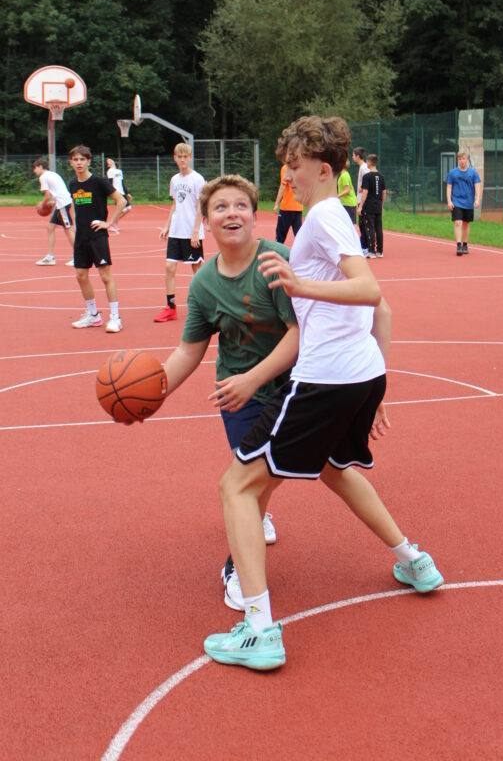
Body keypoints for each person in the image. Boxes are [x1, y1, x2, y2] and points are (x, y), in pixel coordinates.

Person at [203, 115, 443, 672]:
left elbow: (370, 290)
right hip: (360, 373)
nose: (288, 175)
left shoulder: (325, 215)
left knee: (236, 486)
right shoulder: (335, 217)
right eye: (286, 165)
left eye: (295, 165)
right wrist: (376, 389)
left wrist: (298, 282)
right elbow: (384, 313)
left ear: (324, 169)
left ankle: (258, 629)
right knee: (336, 469)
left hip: (326, 377)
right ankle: (413, 559)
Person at [162, 175, 299, 603]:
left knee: (278, 471)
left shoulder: (277, 260)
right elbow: (189, 350)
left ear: (255, 216)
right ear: (205, 222)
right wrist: (154, 392)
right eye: (220, 207)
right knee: (250, 476)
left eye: (241, 205)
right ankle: (240, 566)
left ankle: (256, 515)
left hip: (292, 385)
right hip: (239, 393)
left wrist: (255, 377)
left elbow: (299, 334)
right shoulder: (203, 283)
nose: (231, 213)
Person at [68, 145, 127, 332]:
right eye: (75, 160)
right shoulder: (73, 184)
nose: (79, 163)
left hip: (97, 235)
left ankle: (115, 318)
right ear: (71, 163)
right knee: (80, 275)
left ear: (88, 161)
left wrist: (109, 223)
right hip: (81, 237)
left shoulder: (99, 182)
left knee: (105, 276)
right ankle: (93, 315)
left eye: (82, 159)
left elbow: (121, 201)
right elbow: (76, 207)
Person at [155, 143, 205, 322]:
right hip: (176, 231)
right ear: (175, 158)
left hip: (191, 231)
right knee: (169, 267)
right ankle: (170, 307)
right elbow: (175, 204)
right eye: (179, 157)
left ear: (190, 157)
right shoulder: (175, 179)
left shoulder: (198, 179)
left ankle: (205, 304)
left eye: (185, 156)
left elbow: (201, 207)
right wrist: (167, 226)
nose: (182, 160)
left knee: (197, 270)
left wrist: (195, 231)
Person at [32, 157, 75, 266]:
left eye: (35, 168)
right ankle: (50, 257)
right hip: (61, 203)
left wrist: (42, 204)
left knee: (68, 230)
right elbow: (58, 190)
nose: (34, 171)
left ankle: (79, 256)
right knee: (50, 228)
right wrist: (53, 202)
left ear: (40, 167)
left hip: (62, 204)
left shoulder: (43, 177)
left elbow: (47, 195)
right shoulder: (53, 174)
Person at [446, 150, 481, 256]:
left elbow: (477, 186)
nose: (462, 161)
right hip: (456, 202)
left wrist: (477, 199)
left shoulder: (473, 173)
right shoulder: (452, 173)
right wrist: (449, 201)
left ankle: (465, 244)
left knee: (466, 224)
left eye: (463, 159)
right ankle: (458, 246)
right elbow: (449, 187)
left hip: (468, 202)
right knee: (458, 222)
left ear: (467, 160)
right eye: (460, 159)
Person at [358, 153, 386, 258]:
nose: (366, 163)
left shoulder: (367, 177)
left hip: (369, 206)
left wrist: (360, 206)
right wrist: (381, 204)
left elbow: (365, 192)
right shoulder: (381, 176)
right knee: (379, 228)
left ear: (369, 162)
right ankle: (380, 251)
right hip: (378, 206)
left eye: (367, 161)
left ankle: (371, 251)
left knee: (370, 228)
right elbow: (384, 192)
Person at [273, 163, 303, 244]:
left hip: (287, 208)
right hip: (298, 207)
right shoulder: (300, 168)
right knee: (299, 236)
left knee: (280, 237)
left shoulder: (286, 168)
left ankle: (277, 251)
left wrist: (276, 203)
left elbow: (283, 186)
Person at [105, 157, 132, 235]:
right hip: (116, 192)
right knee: (125, 209)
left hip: (122, 192)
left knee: (127, 209)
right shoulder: (110, 171)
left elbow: (122, 183)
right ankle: (112, 224)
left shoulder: (119, 171)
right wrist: (112, 193)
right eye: (108, 161)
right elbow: (110, 183)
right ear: (108, 165)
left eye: (111, 160)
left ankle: (112, 223)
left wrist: (127, 193)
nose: (110, 161)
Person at [352, 146, 369, 255]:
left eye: (353, 155)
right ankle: (364, 245)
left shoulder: (364, 168)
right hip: (359, 199)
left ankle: (365, 247)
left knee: (363, 224)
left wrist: (362, 188)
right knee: (361, 224)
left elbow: (368, 183)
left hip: (363, 200)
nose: (352, 157)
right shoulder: (361, 167)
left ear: (358, 156)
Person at [337, 157, 358, 224]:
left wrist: (337, 196)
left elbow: (347, 190)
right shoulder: (345, 174)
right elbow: (352, 187)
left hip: (348, 203)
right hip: (347, 203)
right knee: (347, 223)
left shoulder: (344, 176)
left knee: (352, 224)